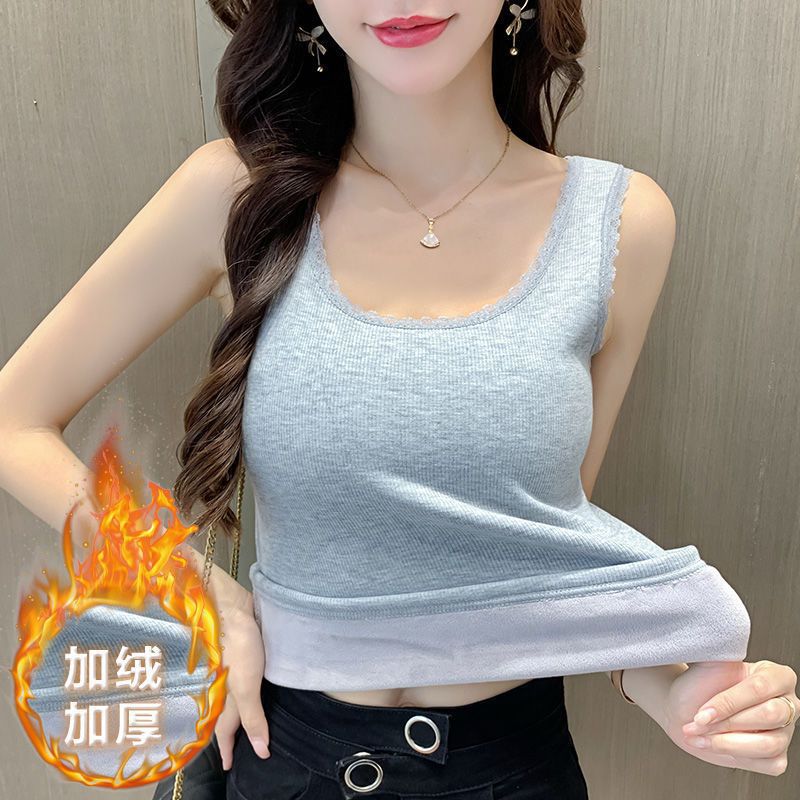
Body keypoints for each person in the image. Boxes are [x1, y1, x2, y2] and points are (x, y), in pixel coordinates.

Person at [0, 1, 796, 798]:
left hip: (511, 769)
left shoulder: (617, 225)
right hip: (287, 755)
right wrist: (201, 590)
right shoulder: (237, 197)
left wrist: (676, 695)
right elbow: (13, 421)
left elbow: (546, 551)